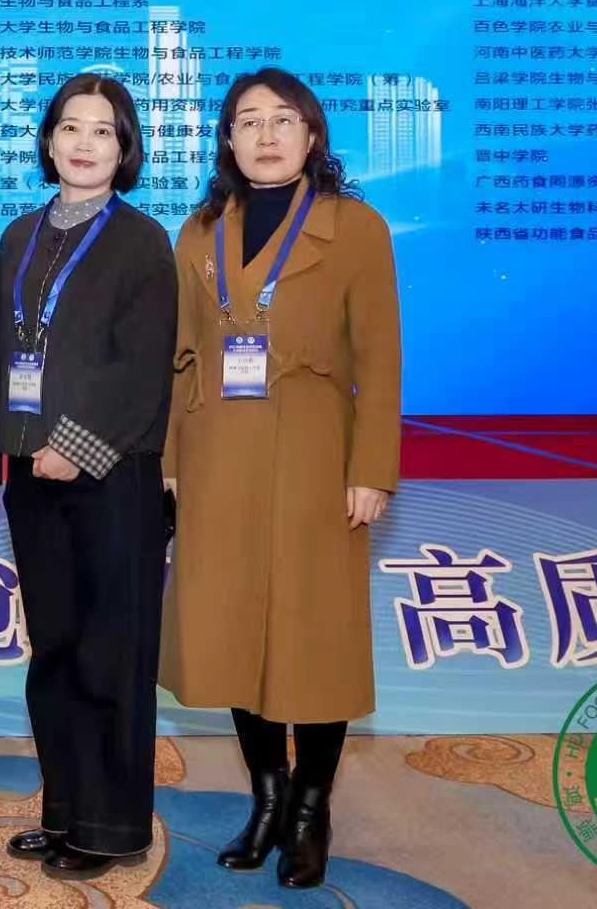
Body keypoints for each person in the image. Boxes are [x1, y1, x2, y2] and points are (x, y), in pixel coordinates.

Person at [157, 66, 401, 889]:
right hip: (215, 451)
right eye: (249, 121)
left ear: (312, 134)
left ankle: (309, 811)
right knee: (232, 630)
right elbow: (179, 357)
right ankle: (266, 798)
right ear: (227, 140)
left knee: (314, 634)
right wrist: (171, 462)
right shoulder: (199, 230)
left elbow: (379, 358)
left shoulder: (353, 227)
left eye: (283, 119)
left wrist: (371, 470)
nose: (266, 135)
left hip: (313, 453)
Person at [0, 74, 178, 880]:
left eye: (103, 131)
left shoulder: (142, 240)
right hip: (31, 474)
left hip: (111, 477)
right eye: (71, 126)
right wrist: (1, 448)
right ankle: (66, 811)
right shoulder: (18, 235)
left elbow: (143, 369)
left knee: (111, 653)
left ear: (124, 147)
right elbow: (3, 351)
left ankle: (112, 828)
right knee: (55, 652)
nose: (84, 143)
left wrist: (75, 444)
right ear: (48, 139)